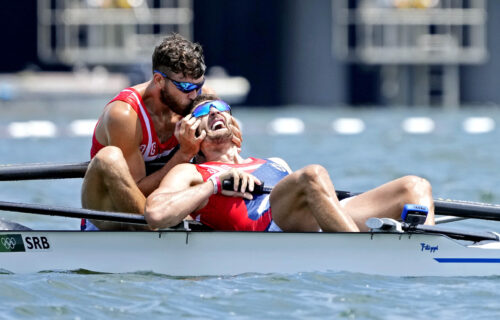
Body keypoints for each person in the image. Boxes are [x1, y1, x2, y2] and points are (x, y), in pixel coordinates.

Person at [144, 95, 435, 232]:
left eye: (222, 109)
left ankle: (431, 248)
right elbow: (156, 214)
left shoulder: (273, 162)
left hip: (314, 219)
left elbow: (316, 197)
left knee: (414, 186)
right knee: (312, 174)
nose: (216, 112)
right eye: (206, 111)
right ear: (191, 129)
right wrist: (215, 184)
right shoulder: (191, 171)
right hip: (271, 226)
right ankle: (360, 250)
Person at [80, 33, 240, 231]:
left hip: (165, 206)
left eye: (198, 86)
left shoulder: (203, 101)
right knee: (108, 157)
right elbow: (133, 191)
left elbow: (223, 159)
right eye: (186, 87)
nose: (193, 95)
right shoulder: (124, 115)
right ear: (159, 80)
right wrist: (183, 155)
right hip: (113, 210)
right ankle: (163, 233)